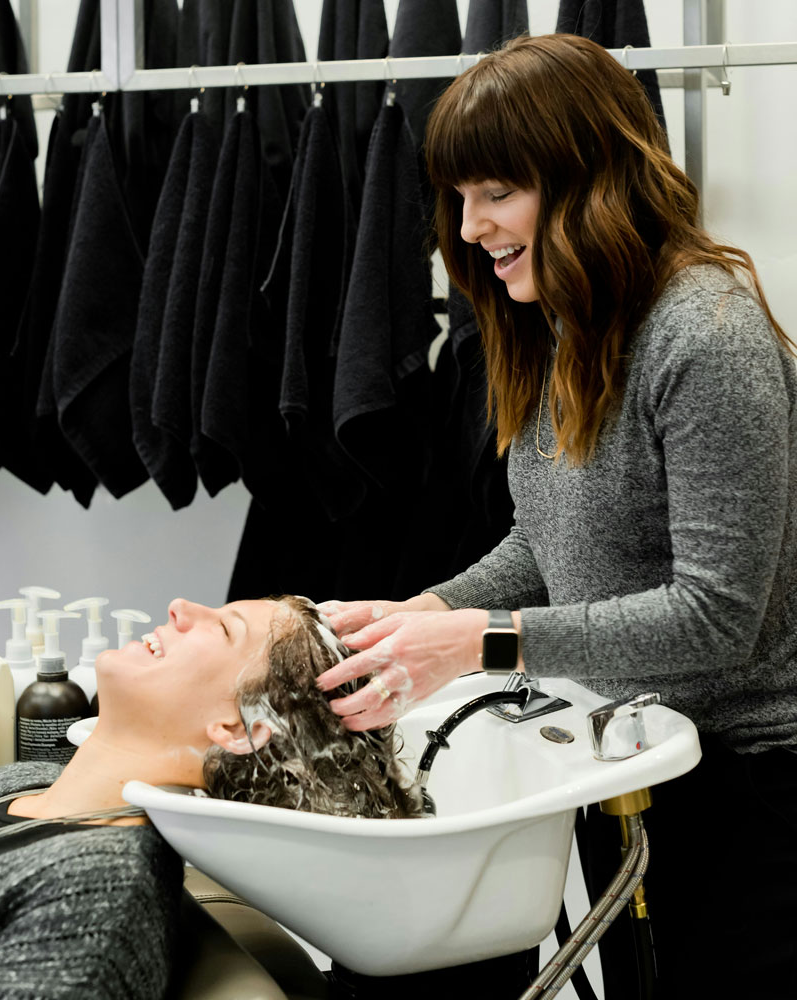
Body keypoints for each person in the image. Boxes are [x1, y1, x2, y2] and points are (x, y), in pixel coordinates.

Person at [315, 33, 797, 999]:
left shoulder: (707, 335)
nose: (473, 225)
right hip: (640, 758)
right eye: (459, 197)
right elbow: (549, 541)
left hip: (758, 785)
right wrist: (421, 611)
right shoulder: (561, 326)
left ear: (587, 176)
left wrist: (478, 644)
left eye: (498, 192)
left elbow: (716, 615)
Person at [0, 594, 421, 1000]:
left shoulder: (94, 890)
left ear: (238, 729)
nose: (179, 607)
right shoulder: (32, 779)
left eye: (223, 629)